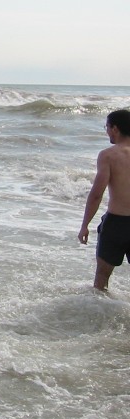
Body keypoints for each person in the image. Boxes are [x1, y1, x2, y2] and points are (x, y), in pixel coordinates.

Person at [78, 109, 130, 291]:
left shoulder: (108, 155)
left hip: (116, 224)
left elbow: (96, 194)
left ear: (115, 128)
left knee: (101, 279)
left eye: (106, 127)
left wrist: (85, 225)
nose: (107, 131)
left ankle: (100, 310)